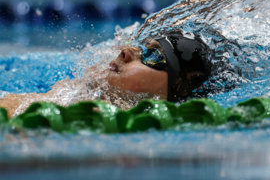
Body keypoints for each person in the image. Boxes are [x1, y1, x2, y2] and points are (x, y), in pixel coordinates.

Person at [0, 30, 212, 117]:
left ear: (179, 89)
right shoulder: (72, 96)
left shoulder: (95, 118)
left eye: (152, 55)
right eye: (141, 47)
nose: (126, 51)